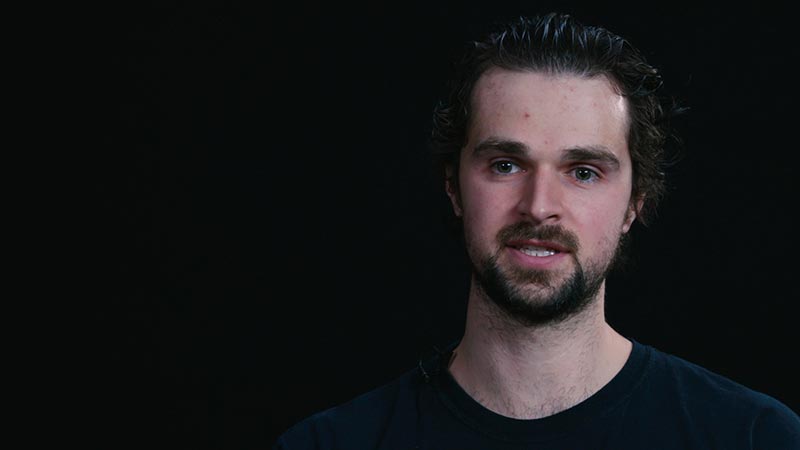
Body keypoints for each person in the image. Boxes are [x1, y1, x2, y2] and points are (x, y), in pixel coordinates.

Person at [273, 12, 800, 449]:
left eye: (583, 172)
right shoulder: (328, 444)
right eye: (506, 165)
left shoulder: (756, 437)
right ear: (454, 187)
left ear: (634, 203)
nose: (539, 207)